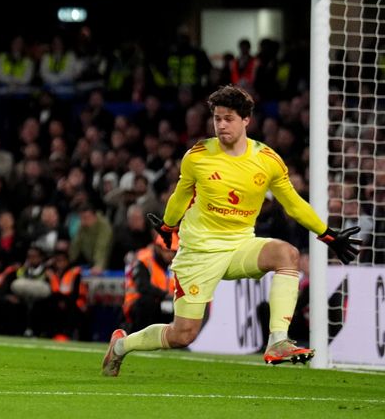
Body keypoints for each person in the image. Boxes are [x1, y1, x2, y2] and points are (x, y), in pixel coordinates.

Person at [101, 85, 361, 377]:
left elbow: (294, 204)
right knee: (183, 334)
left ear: (246, 120)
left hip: (239, 246)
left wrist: (327, 234)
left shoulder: (267, 160)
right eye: (217, 118)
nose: (221, 125)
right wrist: (168, 227)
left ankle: (277, 341)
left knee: (286, 254)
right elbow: (180, 195)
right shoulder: (198, 156)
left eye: (229, 118)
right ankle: (121, 345)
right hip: (199, 253)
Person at [122, 232, 178, 333]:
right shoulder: (144, 260)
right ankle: (138, 336)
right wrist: (165, 295)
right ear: (158, 248)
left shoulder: (175, 265)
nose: (170, 254)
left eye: (173, 251)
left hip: (164, 303)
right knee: (148, 301)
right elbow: (143, 287)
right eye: (166, 250)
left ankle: (173, 340)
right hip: (137, 304)